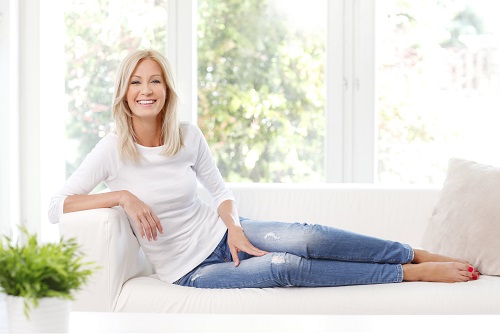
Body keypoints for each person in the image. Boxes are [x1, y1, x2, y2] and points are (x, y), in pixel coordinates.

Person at [49, 49, 479, 289]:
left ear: (167, 89)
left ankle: (412, 251)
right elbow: (57, 206)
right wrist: (122, 195)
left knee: (310, 236)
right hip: (190, 270)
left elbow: (219, 191)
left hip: (224, 234)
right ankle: (408, 272)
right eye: (136, 82)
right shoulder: (112, 150)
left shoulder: (187, 135)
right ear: (124, 93)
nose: (146, 90)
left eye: (155, 80)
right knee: (285, 267)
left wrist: (235, 227)